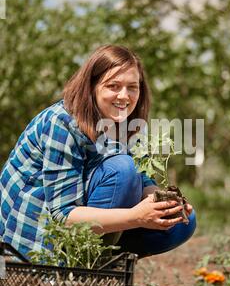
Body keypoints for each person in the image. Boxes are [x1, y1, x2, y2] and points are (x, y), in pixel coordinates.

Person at [0, 45, 196, 260]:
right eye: (113, 86)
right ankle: (78, 269)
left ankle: (99, 263)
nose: (124, 96)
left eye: (132, 87)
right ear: (91, 86)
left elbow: (142, 178)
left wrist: (162, 205)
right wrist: (136, 217)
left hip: (85, 221)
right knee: (122, 169)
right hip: (35, 234)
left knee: (183, 223)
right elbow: (62, 215)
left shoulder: (128, 123)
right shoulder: (62, 122)